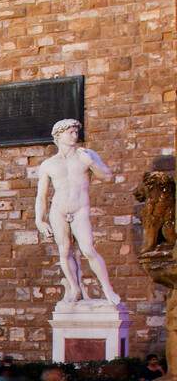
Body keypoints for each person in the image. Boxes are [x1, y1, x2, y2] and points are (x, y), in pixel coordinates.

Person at [34, 118, 124, 303]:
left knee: (88, 249)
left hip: (80, 208)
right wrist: (39, 220)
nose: (75, 135)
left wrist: (91, 163)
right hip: (58, 210)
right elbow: (41, 196)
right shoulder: (49, 164)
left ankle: (107, 289)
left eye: (76, 132)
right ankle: (75, 288)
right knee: (65, 251)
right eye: (71, 132)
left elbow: (107, 176)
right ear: (58, 136)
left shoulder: (86, 154)